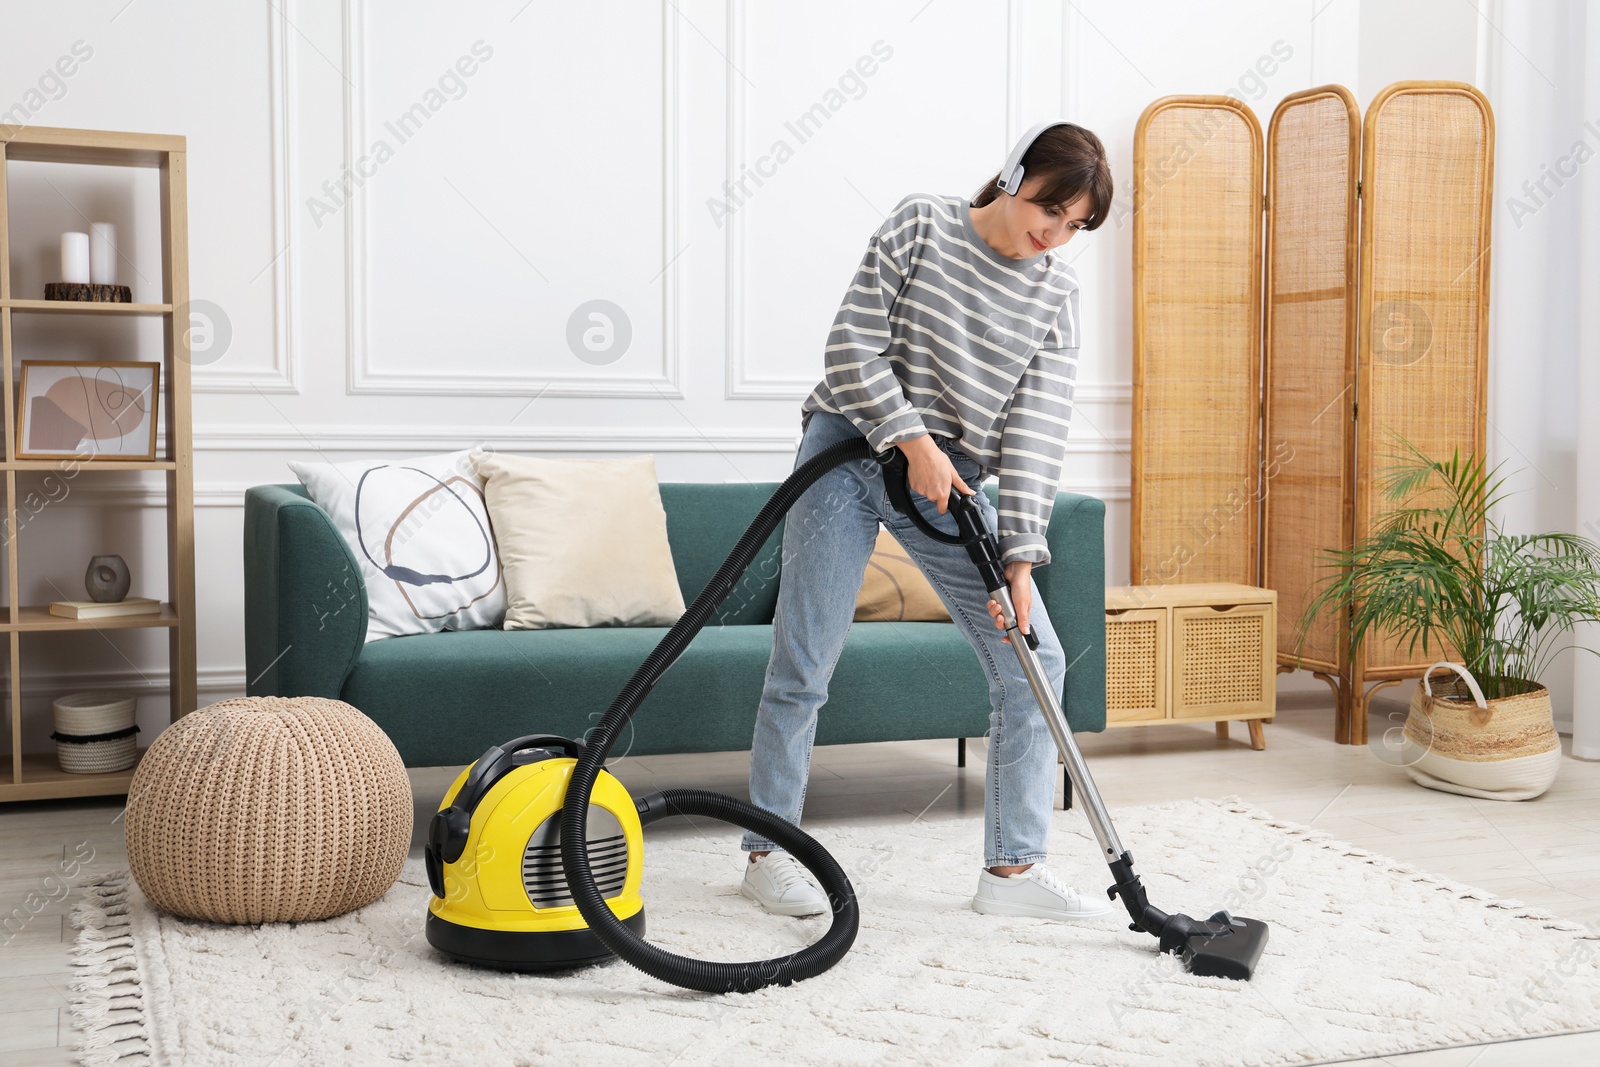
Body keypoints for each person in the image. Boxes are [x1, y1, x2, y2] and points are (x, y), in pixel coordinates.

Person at [739, 122, 1117, 922]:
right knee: (804, 658)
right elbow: (850, 346)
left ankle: (1011, 872)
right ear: (1013, 175)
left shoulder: (1056, 298)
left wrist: (1017, 559)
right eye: (1050, 208)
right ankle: (768, 850)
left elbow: (1036, 436)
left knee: (1035, 656)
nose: (1054, 234)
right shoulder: (922, 225)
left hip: (951, 483)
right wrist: (910, 439)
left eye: (1075, 225)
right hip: (843, 448)